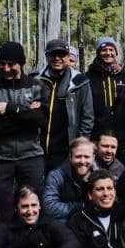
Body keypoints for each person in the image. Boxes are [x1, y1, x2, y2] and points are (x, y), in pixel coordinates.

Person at [0, 41, 47, 221]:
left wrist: (11, 109)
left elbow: (42, 120)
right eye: (3, 63)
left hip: (32, 156)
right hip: (1, 158)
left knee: (32, 206)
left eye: (11, 64)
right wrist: (28, 115)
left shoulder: (37, 86)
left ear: (21, 63)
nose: (6, 68)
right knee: (3, 209)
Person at [39, 38, 94, 171]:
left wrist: (80, 146)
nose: (57, 58)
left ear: (68, 57)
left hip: (67, 149)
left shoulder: (79, 82)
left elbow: (87, 118)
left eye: (61, 54)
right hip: (39, 150)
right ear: (46, 56)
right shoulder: (37, 79)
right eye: (53, 54)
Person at [42, 137, 95, 223]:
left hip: (90, 223)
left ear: (93, 157)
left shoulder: (99, 175)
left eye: (86, 157)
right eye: (78, 157)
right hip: (65, 222)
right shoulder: (56, 175)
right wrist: (82, 206)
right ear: (70, 157)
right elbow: (49, 207)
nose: (82, 161)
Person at [87, 37, 125, 135]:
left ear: (116, 53)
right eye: (104, 50)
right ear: (98, 53)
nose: (108, 53)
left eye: (111, 50)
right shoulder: (88, 77)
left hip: (124, 130)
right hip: (96, 131)